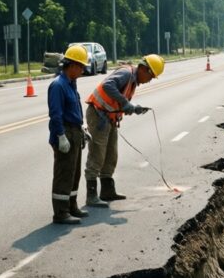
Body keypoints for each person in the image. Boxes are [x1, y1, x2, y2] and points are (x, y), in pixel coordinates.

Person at [84, 54, 165, 206]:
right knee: (97, 155)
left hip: (110, 118)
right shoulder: (127, 73)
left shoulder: (132, 81)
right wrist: (126, 103)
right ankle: (91, 195)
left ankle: (107, 191)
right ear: (143, 69)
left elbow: (119, 101)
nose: (150, 80)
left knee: (111, 155)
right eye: (151, 76)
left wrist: (132, 109)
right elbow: (108, 85)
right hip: (98, 115)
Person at [48, 45, 90, 224]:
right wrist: (60, 136)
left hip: (74, 131)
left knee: (74, 173)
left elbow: (75, 110)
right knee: (64, 173)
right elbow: (55, 114)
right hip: (64, 132)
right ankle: (61, 212)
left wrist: (82, 128)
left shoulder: (72, 84)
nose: (82, 70)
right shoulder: (58, 85)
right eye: (80, 66)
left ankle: (72, 205)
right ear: (71, 65)